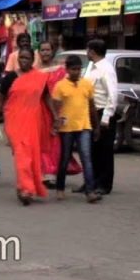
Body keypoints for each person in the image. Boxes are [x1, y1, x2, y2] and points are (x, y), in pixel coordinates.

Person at [0, 47, 57, 206]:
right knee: (22, 153)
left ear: (32, 60)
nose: (24, 61)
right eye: (21, 58)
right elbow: (0, 98)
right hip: (14, 121)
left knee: (30, 155)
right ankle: (26, 187)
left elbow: (47, 98)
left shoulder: (39, 78)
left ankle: (25, 187)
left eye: (27, 58)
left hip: (33, 122)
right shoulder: (10, 77)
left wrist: (55, 117)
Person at [51, 55, 101, 203]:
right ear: (67, 70)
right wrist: (56, 123)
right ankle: (60, 188)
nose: (76, 72)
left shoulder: (86, 84)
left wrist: (97, 126)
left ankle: (90, 191)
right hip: (66, 128)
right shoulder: (60, 86)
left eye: (79, 69)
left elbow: (92, 107)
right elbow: (55, 106)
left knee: (86, 158)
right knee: (65, 158)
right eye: (73, 69)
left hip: (84, 126)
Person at [37, 41, 77, 187]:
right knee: (42, 141)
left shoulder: (60, 71)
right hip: (40, 111)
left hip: (58, 110)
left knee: (56, 143)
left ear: (52, 51)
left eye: (48, 50)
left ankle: (52, 173)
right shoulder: (35, 71)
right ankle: (43, 173)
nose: (45, 52)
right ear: (39, 52)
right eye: (43, 50)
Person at [84, 39, 118, 195]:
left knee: (104, 151)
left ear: (92, 51)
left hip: (102, 113)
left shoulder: (106, 69)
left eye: (88, 49)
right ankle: (91, 182)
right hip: (90, 113)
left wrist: (106, 118)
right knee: (93, 150)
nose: (86, 52)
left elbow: (113, 95)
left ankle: (104, 184)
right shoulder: (92, 67)